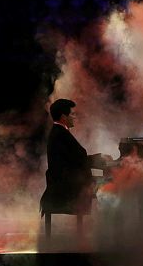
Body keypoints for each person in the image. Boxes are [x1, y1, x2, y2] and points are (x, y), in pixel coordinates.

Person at [40, 98, 108, 236]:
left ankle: (98, 231)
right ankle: (103, 233)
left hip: (66, 183)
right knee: (109, 188)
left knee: (103, 183)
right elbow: (78, 161)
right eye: (73, 114)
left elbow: (76, 160)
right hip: (68, 188)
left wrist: (99, 159)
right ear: (64, 117)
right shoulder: (60, 134)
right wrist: (101, 160)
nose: (75, 117)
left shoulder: (59, 132)